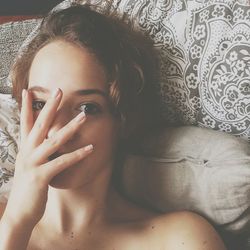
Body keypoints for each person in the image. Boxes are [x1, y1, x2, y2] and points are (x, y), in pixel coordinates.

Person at [0, 4, 226, 250]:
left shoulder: (179, 239)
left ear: (122, 120)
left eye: (87, 108)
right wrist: (16, 222)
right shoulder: (6, 221)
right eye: (40, 104)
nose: (55, 131)